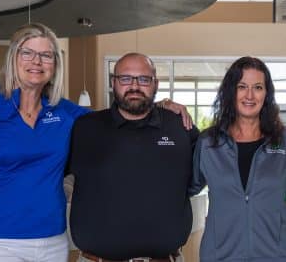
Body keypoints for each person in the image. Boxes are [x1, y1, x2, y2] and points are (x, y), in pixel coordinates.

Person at [0, 23, 88, 262]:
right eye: (27, 53)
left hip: (52, 242)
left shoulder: (64, 112)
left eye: (46, 55)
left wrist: (162, 108)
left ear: (55, 64)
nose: (37, 62)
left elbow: (111, 124)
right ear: (13, 58)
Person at [68, 53, 199, 262]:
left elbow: (202, 177)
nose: (135, 86)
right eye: (126, 78)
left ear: (155, 84)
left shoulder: (180, 127)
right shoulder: (84, 128)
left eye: (144, 79)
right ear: (114, 82)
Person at [189, 56, 286, 261]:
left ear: (266, 94)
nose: (250, 95)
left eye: (258, 87)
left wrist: (272, 208)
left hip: (274, 256)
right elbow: (187, 186)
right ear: (231, 92)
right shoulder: (208, 143)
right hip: (220, 256)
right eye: (242, 86)